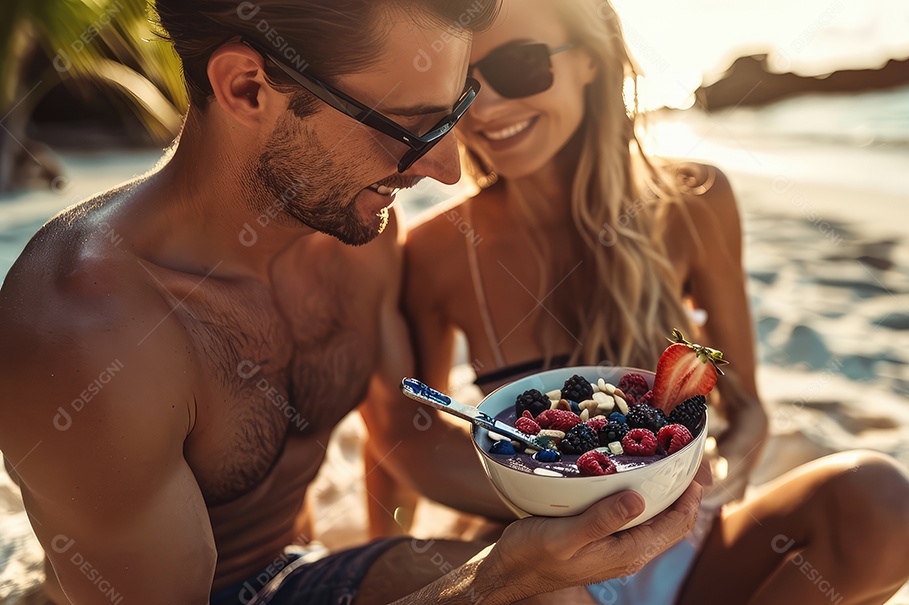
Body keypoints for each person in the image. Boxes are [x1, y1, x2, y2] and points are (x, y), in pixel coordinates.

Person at [0, 1, 709, 603]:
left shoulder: (360, 232)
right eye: (409, 126)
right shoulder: (85, 325)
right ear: (248, 88)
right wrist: (494, 579)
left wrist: (616, 484)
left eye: (454, 109)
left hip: (295, 572)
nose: (448, 166)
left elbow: (405, 432)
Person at [375, 0, 909, 603]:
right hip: (547, 562)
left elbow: (746, 406)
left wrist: (716, 460)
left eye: (520, 65)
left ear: (592, 60)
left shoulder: (694, 200)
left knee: (883, 504)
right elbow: (412, 440)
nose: (485, 107)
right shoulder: (438, 249)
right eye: (463, 85)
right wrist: (580, 483)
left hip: (689, 541)